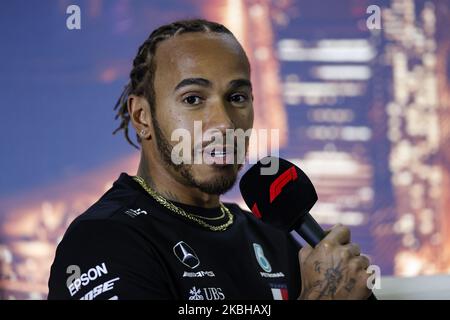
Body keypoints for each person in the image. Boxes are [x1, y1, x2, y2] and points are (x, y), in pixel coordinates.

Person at [47, 19, 372, 300]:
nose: (225, 123)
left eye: (237, 97)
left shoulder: (273, 238)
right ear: (142, 115)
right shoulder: (103, 238)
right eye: (193, 99)